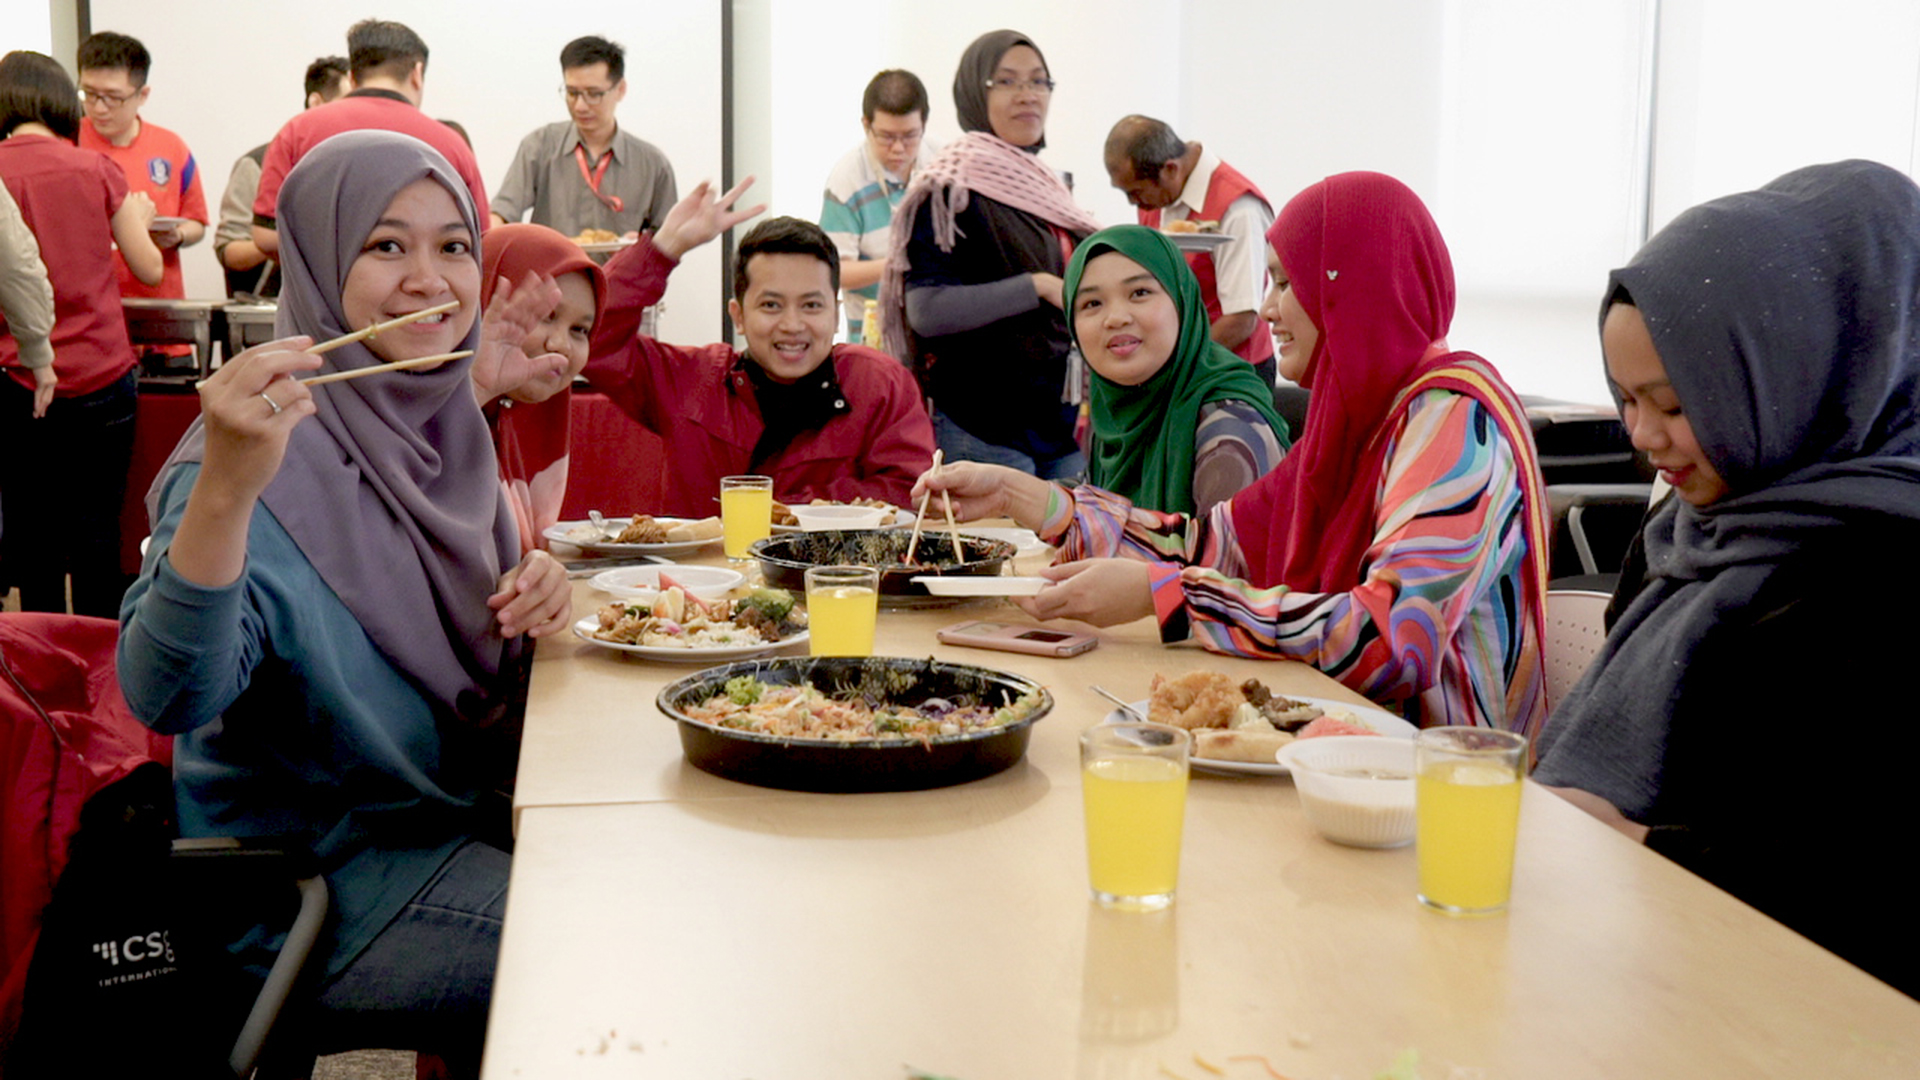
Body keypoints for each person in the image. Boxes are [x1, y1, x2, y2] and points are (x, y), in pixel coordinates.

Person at [117, 130, 570, 1074]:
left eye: (453, 246)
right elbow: (169, 696)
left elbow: (469, 664)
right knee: (609, 958)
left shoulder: (437, 423)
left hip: (443, 817)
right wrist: (228, 487)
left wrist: (540, 596)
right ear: (320, 263)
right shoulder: (249, 453)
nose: (427, 278)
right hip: (314, 883)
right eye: (383, 245)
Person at [917, 172, 1550, 735]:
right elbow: (1216, 544)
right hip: (1346, 745)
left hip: (1443, 780)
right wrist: (1022, 497)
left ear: (1347, 284)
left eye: (1285, 281)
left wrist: (1173, 597)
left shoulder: (1453, 416)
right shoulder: (1360, 415)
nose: (1267, 308)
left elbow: (1391, 638)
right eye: (1091, 302)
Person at [1531, 160, 1920, 999]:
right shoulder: (1685, 534)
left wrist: (1637, 843)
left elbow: (1870, 889)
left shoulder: (1886, 580)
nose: (1644, 438)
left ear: (1809, 372)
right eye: (1625, 399)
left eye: (1673, 405)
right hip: (1623, 957)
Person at [587, 181, 935, 516]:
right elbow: (592, 339)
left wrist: (789, 512)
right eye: (771, 305)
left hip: (832, 577)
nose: (792, 324)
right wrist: (662, 249)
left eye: (812, 306)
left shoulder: (879, 384)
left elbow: (910, 493)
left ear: (836, 313)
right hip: (701, 576)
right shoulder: (690, 379)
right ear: (738, 316)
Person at [881, 29, 1100, 479]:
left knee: (1078, 547)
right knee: (1007, 551)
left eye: (1039, 82)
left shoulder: (1043, 187)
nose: (1027, 96)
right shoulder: (949, 189)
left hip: (1055, 425)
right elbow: (927, 310)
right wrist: (1036, 287)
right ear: (973, 90)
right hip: (984, 428)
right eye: (1006, 81)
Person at [0, 50, 162, 617]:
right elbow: (150, 269)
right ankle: (99, 661)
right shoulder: (94, 169)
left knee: (31, 535)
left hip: (16, 381)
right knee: (98, 530)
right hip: (101, 377)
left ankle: (42, 667)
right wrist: (135, 222)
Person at [1064, 224, 1288, 515]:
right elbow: (1091, 498)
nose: (1116, 318)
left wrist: (1032, 500)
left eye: (1139, 292)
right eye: (1092, 303)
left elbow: (1225, 555)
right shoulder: (1117, 410)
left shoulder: (1230, 427)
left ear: (1182, 302)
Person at [251, 19, 488, 257]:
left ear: (352, 77)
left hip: (318, 294)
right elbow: (481, 240)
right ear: (417, 73)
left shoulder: (297, 131)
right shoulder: (452, 145)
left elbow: (266, 235)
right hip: (420, 290)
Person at [1105, 115, 1276, 382]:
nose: (1133, 203)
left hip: (1233, 372)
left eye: (1136, 192)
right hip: (1176, 367)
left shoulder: (1239, 208)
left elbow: (1241, 320)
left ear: (1170, 169)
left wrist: (1174, 369)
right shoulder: (1159, 197)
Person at [478, 224, 605, 553]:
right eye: (546, 316)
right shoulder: (421, 425)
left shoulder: (531, 418)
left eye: (580, 329)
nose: (560, 344)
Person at [489, 35, 676, 239]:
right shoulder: (539, 146)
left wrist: (642, 246)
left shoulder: (652, 164)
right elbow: (503, 211)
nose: (580, 106)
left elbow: (668, 239)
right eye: (572, 93)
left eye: (593, 94)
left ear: (620, 90)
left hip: (622, 271)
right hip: (553, 270)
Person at [75, 32, 207, 303]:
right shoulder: (67, 143)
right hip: (89, 310)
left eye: (113, 97)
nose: (98, 108)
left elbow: (197, 222)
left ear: (142, 95)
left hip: (160, 308)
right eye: (88, 94)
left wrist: (177, 236)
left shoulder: (171, 147)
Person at [214, 55, 349, 298]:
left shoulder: (354, 166)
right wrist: (284, 238)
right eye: (348, 104)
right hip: (269, 309)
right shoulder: (256, 163)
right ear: (316, 102)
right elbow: (229, 252)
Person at [820, 68, 933, 338]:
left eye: (909, 136)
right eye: (886, 136)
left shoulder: (942, 164)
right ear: (866, 125)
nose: (898, 148)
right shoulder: (847, 179)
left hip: (934, 332)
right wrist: (897, 264)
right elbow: (832, 270)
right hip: (875, 335)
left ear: (924, 125)